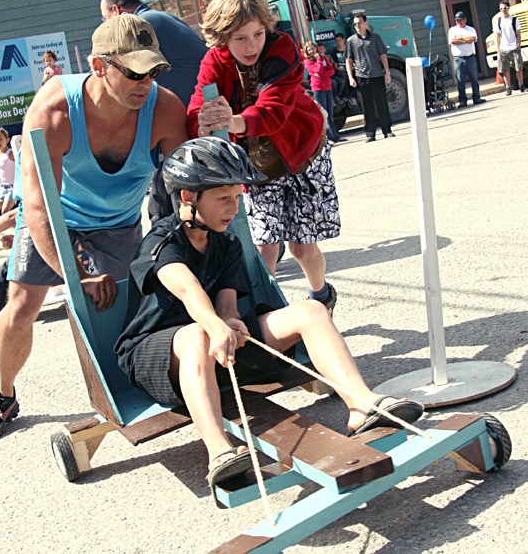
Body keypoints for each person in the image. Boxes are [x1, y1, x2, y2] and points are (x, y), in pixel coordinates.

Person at [114, 138, 424, 500]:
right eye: (224, 199)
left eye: (238, 197)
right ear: (187, 197)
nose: (234, 208)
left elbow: (227, 299)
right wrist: (215, 326)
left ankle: (361, 405)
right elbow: (187, 289)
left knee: (310, 310)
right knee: (197, 335)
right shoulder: (162, 241)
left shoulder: (225, 241)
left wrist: (230, 321)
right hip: (159, 355)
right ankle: (220, 452)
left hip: (219, 347)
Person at [0, 14, 188, 444]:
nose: (144, 82)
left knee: (135, 311)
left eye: (153, 70)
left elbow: (188, 181)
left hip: (118, 224)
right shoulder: (54, 111)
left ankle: (143, 383)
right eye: (132, 71)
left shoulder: (163, 109)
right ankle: (4, 395)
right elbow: (35, 205)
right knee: (20, 305)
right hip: (56, 218)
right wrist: (77, 273)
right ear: (98, 65)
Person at [187, 0, 340, 310]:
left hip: (304, 155)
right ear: (222, 36)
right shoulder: (214, 61)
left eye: (257, 34)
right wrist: (202, 121)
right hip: (258, 167)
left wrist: (232, 121)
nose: (251, 45)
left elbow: (274, 111)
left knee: (302, 248)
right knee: (264, 245)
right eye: (240, 38)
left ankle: (321, 296)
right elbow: (198, 106)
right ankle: (267, 314)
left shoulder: (283, 47)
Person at [100, 0, 208, 108]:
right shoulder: (157, 16)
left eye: (105, 18)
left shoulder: (139, 26)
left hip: (196, 104)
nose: (106, 24)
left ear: (116, 10)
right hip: (206, 94)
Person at [345, 13, 395, 143]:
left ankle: (387, 130)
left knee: (382, 104)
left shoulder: (375, 38)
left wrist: (387, 72)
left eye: (359, 23)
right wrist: (351, 77)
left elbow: (383, 55)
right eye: (355, 24)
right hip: (362, 76)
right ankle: (370, 133)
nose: (357, 26)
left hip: (377, 74)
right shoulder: (351, 41)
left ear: (366, 23)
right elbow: (348, 60)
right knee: (367, 107)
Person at [303, 41, 342, 144]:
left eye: (313, 48)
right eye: (309, 50)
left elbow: (332, 70)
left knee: (330, 113)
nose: (311, 51)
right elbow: (318, 70)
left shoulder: (324, 58)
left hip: (327, 87)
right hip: (318, 88)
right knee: (323, 114)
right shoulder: (308, 61)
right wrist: (319, 61)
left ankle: (335, 135)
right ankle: (328, 137)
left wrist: (324, 74)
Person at [448, 11, 486, 109]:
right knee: (460, 80)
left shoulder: (470, 29)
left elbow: (473, 38)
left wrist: (460, 38)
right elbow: (453, 41)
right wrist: (465, 40)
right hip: (458, 58)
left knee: (474, 78)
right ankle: (462, 100)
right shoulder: (452, 30)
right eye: (457, 20)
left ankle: (476, 97)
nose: (458, 22)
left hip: (470, 57)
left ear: (465, 20)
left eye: (460, 20)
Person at [495, 0, 525, 96]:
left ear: (508, 8)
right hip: (504, 49)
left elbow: (518, 33)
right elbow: (497, 35)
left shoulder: (514, 20)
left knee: (518, 67)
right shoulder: (498, 21)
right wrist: (498, 49)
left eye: (504, 8)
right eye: (501, 8)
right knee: (505, 70)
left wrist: (518, 44)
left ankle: (521, 84)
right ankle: (508, 87)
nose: (503, 10)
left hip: (514, 47)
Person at [328, 33, 357, 106]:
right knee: (345, 76)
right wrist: (346, 70)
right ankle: (345, 97)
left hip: (351, 68)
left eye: (339, 40)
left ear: (343, 40)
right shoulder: (334, 52)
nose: (338, 42)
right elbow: (336, 67)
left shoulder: (349, 49)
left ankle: (353, 96)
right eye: (336, 41)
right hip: (341, 71)